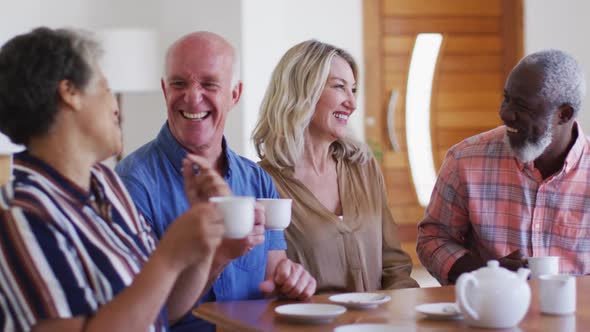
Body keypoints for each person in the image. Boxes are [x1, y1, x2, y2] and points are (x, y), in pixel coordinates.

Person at [0, 27, 229, 331]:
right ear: (69, 93)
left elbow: (163, 310)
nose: (116, 108)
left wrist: (202, 240)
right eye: (106, 88)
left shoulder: (107, 183)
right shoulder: (21, 212)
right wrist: (170, 257)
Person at [115, 31, 316, 331]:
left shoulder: (257, 180)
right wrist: (219, 257)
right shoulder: (131, 183)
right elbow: (143, 316)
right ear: (164, 89)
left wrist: (291, 280)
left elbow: (272, 279)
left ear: (235, 94)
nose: (192, 97)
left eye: (209, 84)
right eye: (178, 83)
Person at [251, 40, 419, 293]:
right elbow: (262, 282)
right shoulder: (262, 182)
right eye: (340, 87)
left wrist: (409, 312)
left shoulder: (363, 167)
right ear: (301, 92)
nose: (352, 103)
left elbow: (393, 265)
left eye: (353, 90)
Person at [416, 49, 590, 285]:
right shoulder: (464, 159)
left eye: (523, 106)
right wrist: (486, 272)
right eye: (506, 98)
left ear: (564, 114)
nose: (505, 113)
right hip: (488, 314)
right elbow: (433, 239)